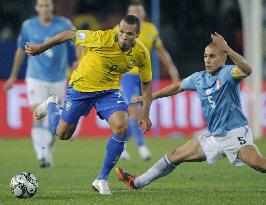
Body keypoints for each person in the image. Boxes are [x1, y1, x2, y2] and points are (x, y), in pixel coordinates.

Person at [116, 32, 266, 191]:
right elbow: (177, 87)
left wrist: (227, 48)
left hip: (235, 135)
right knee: (175, 155)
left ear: (223, 59)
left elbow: (247, 70)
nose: (208, 60)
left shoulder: (228, 74)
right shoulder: (198, 78)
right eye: (206, 56)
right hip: (215, 136)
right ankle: (136, 182)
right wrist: (152, 97)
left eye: (213, 56)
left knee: (259, 164)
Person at [24, 15, 153, 195]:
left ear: (137, 34)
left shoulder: (141, 53)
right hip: (81, 88)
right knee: (62, 134)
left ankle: (101, 179)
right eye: (121, 31)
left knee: (121, 127)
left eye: (129, 33)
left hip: (108, 91)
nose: (124, 36)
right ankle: (52, 104)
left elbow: (146, 83)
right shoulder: (101, 38)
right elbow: (68, 34)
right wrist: (40, 48)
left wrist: (145, 114)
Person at [4, 0, 80, 168]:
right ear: (36, 8)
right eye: (41, 5)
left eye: (47, 5)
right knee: (38, 116)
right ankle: (41, 155)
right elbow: (20, 50)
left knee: (57, 121)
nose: (44, 8)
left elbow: (78, 41)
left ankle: (47, 153)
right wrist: (13, 76)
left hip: (59, 78)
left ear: (52, 7)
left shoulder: (64, 23)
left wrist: (79, 60)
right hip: (36, 78)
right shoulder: (28, 26)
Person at [115, 0, 179, 161]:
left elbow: (161, 51)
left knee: (138, 112)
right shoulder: (120, 29)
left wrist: (172, 69)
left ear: (143, 14)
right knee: (134, 111)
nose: (135, 13)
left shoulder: (151, 29)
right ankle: (141, 145)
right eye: (132, 11)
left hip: (145, 76)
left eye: (138, 10)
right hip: (127, 75)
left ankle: (121, 145)